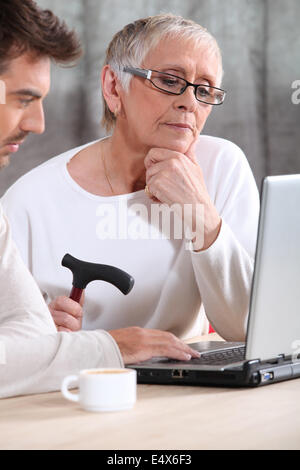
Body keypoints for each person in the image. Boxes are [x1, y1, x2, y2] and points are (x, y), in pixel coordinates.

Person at [2, 14, 259, 351]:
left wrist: (203, 218)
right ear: (113, 87)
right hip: (81, 391)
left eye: (205, 90)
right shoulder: (27, 203)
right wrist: (40, 334)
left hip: (192, 388)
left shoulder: (222, 167)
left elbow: (246, 326)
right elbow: (12, 350)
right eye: (169, 81)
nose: (190, 102)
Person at [0, 2, 198, 399]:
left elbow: (26, 335)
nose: (38, 123)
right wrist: (110, 347)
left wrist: (48, 341)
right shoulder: (25, 201)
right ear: (113, 88)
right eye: (22, 99)